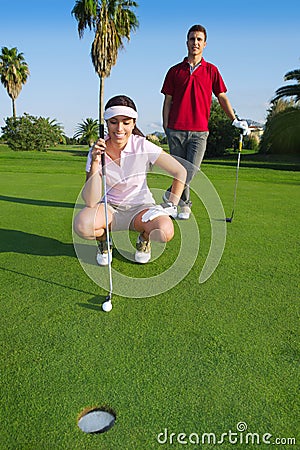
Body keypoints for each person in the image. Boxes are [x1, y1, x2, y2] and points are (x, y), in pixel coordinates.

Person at [74, 95, 187, 265]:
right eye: (114, 122)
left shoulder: (142, 145)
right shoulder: (96, 150)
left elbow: (180, 171)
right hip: (110, 210)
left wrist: (171, 206)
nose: (119, 128)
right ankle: (105, 242)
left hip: (141, 209)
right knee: (82, 225)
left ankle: (144, 239)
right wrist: (96, 162)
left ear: (133, 123)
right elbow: (91, 201)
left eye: (126, 122)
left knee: (164, 231)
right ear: (107, 123)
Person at [161, 24, 249, 219]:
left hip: (199, 131)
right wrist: (166, 127)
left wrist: (234, 120)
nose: (195, 43)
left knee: (191, 170)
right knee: (180, 169)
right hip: (175, 129)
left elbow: (222, 97)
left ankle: (170, 197)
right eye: (192, 39)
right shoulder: (174, 71)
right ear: (187, 42)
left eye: (199, 39)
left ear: (205, 44)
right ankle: (184, 205)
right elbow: (167, 101)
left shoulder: (212, 70)